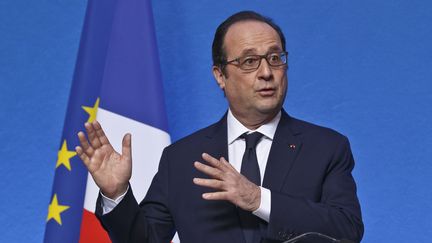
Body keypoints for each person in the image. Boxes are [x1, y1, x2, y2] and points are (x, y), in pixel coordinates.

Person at [76, 11, 364, 243]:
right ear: (220, 76)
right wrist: (117, 194)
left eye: (275, 58)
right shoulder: (181, 159)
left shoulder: (326, 148)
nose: (266, 73)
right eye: (250, 61)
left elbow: (347, 229)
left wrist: (257, 198)